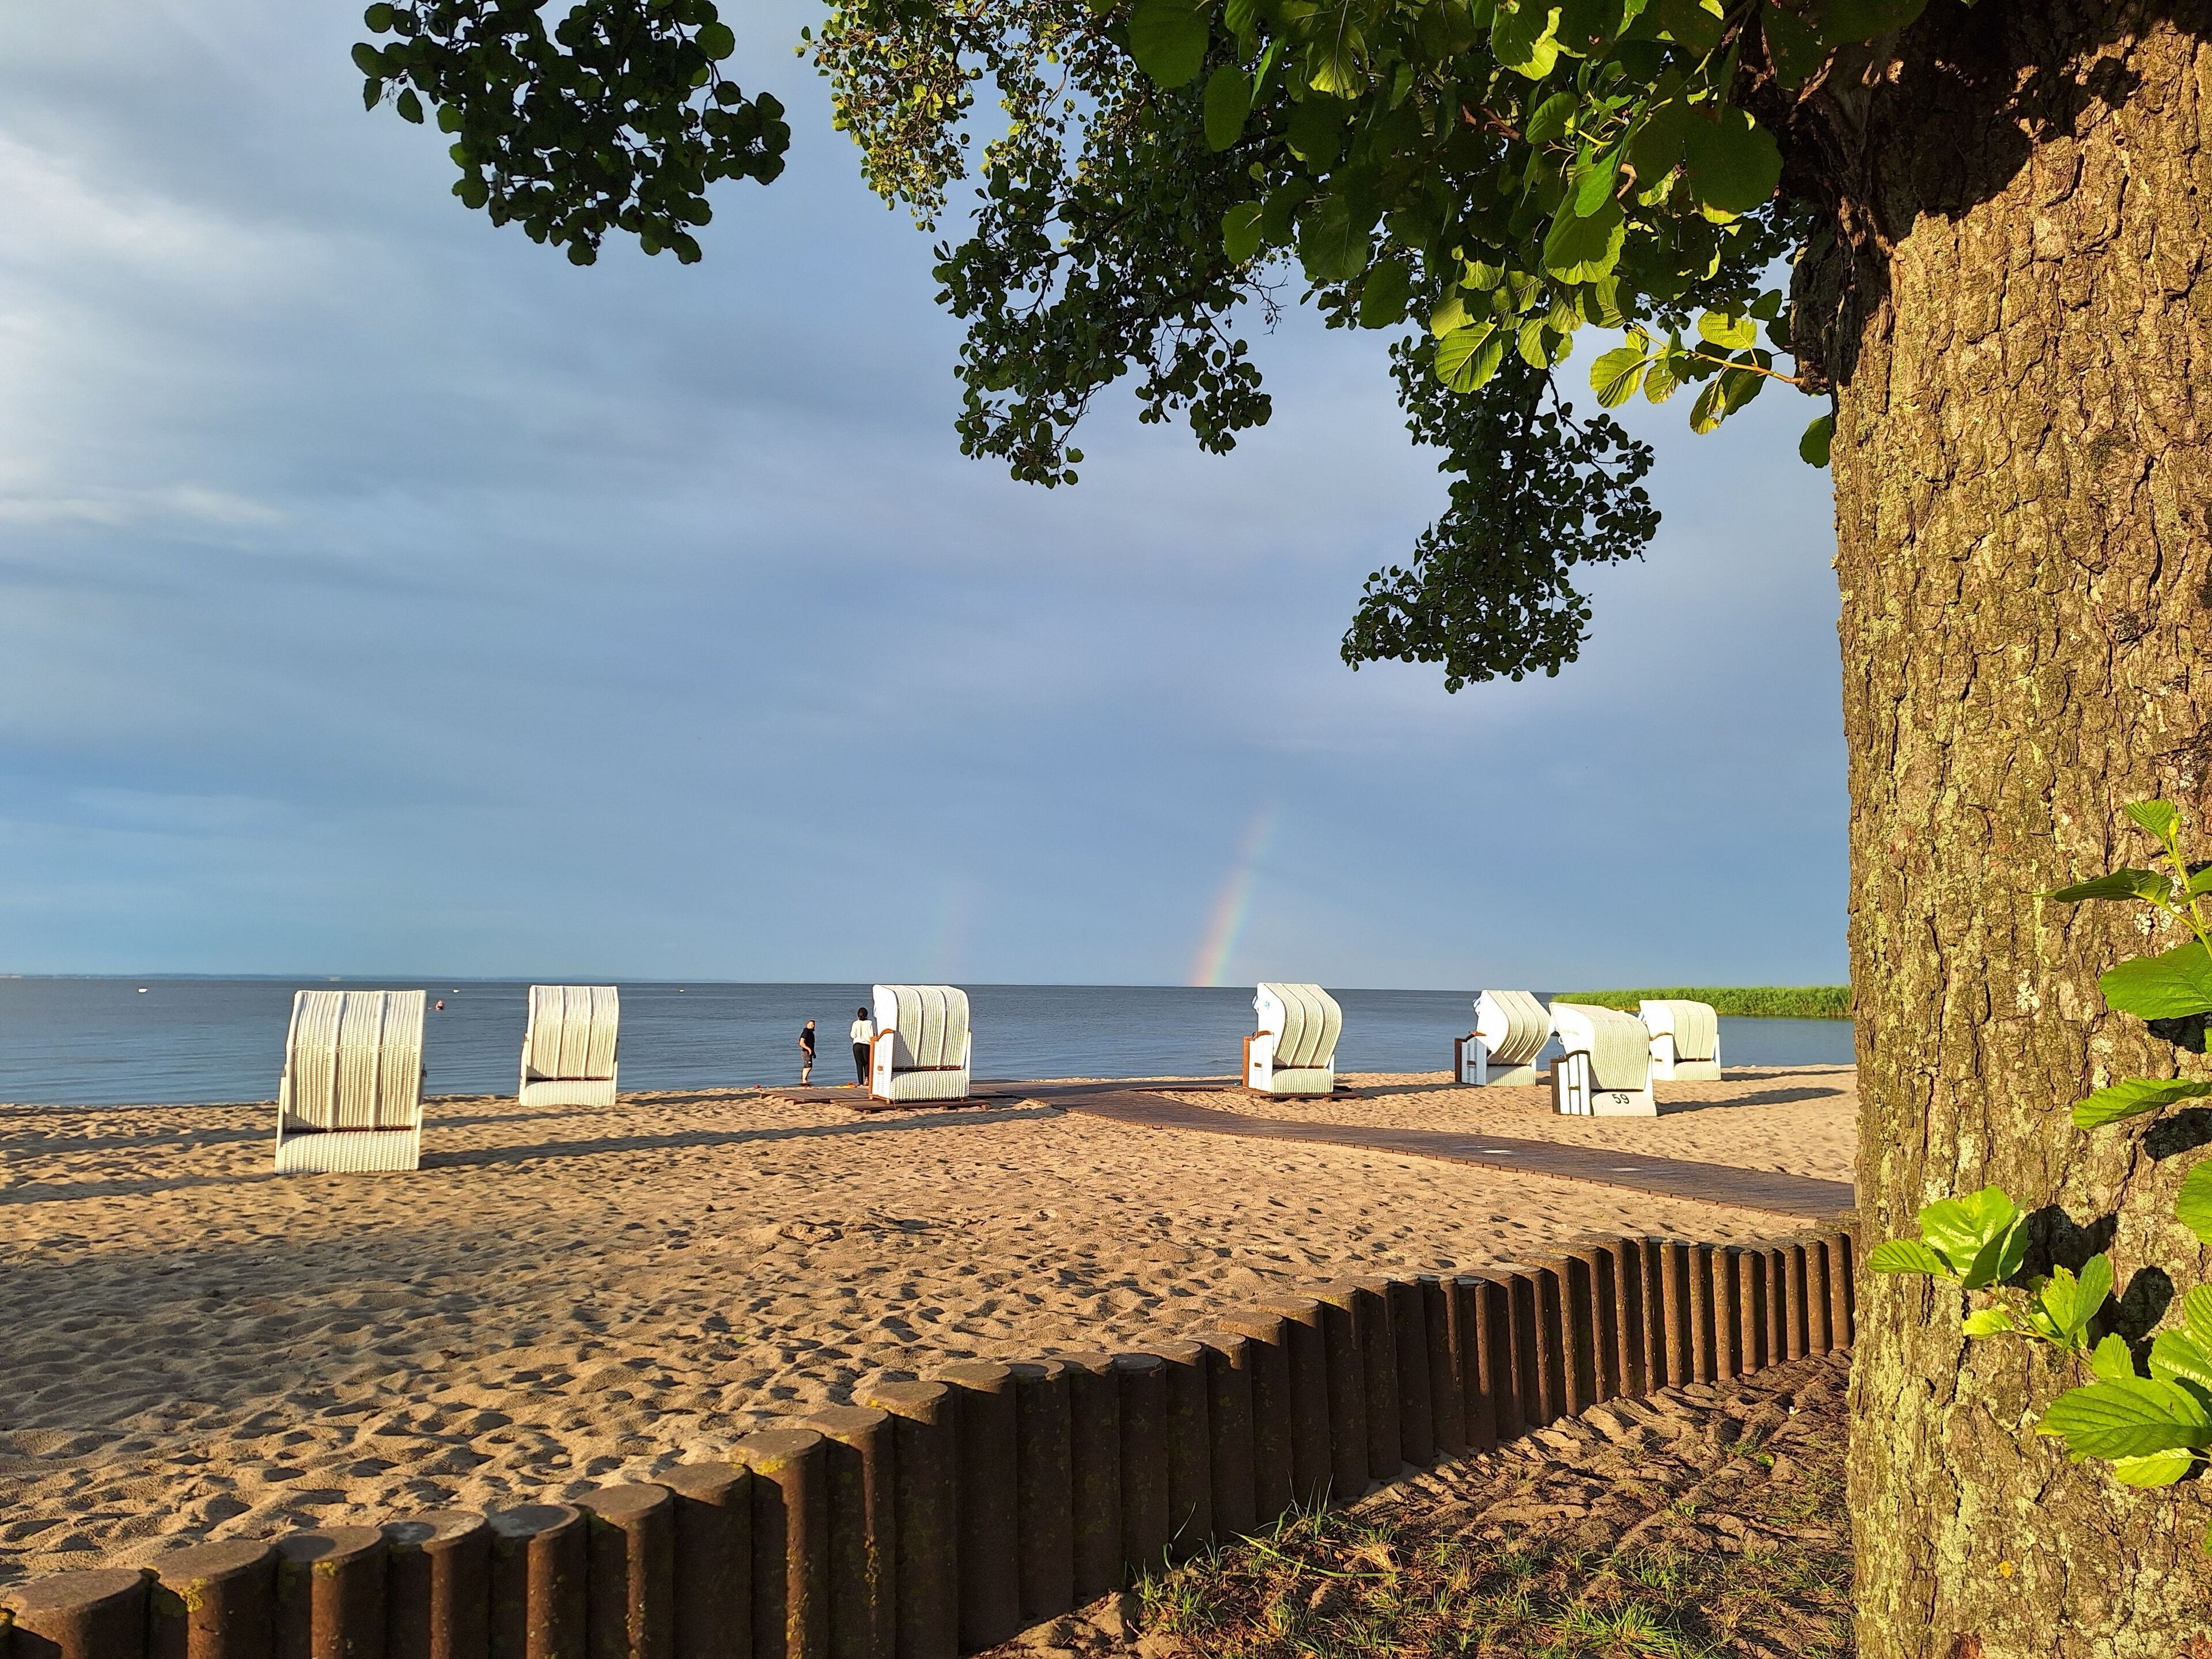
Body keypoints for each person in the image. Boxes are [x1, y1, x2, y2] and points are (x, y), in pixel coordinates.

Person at [850, 1005, 874, 1088]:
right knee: (867, 1063)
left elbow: (853, 1035)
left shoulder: (855, 1023)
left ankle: (860, 1082)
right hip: (866, 1045)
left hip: (857, 1045)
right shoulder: (869, 1023)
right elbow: (871, 1035)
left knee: (859, 1064)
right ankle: (867, 1078)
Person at [798, 1019, 817, 1085]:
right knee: (808, 1066)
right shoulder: (806, 1032)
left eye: (814, 1025)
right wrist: (809, 1049)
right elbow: (801, 1043)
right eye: (811, 1025)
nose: (813, 1026)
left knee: (809, 1066)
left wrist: (813, 1052)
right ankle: (804, 1080)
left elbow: (812, 1044)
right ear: (807, 1025)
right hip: (806, 1052)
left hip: (809, 1052)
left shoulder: (811, 1033)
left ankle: (805, 1080)